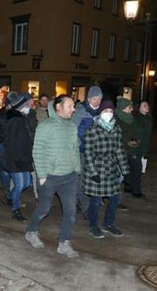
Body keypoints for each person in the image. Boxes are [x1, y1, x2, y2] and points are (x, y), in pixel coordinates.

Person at [25, 95, 81, 258]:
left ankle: (64, 242)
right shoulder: (45, 126)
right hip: (49, 177)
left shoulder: (72, 127)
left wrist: (77, 169)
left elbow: (74, 149)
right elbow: (37, 151)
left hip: (69, 177)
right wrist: (42, 175)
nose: (73, 109)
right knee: (44, 209)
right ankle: (31, 231)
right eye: (70, 106)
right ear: (59, 108)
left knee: (70, 212)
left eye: (73, 106)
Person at [83, 101, 130, 239]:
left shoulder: (116, 129)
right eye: (105, 111)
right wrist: (93, 173)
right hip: (97, 169)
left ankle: (108, 224)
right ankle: (93, 226)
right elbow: (88, 153)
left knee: (115, 198)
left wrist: (125, 171)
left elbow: (119, 150)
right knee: (96, 202)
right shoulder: (92, 130)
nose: (108, 113)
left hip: (111, 169)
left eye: (110, 111)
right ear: (100, 113)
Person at [71, 85, 103, 217]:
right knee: (81, 179)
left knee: (91, 178)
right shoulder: (80, 110)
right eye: (96, 98)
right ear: (89, 98)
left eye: (100, 98)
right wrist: (78, 145)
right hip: (80, 150)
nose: (98, 101)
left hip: (93, 151)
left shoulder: (99, 112)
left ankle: (85, 203)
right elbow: (73, 130)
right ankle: (85, 207)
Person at [4, 94, 34, 222]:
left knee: (27, 183)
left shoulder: (22, 118)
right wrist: (17, 160)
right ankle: (15, 210)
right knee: (19, 184)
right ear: (20, 107)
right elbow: (11, 143)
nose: (28, 107)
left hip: (24, 158)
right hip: (15, 159)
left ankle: (10, 198)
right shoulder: (14, 121)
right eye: (26, 105)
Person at [115, 98, 145, 198]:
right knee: (120, 173)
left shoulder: (131, 118)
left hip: (132, 148)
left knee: (136, 168)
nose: (131, 109)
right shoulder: (115, 119)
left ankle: (135, 189)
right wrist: (128, 142)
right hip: (120, 150)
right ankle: (119, 193)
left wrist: (135, 142)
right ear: (123, 108)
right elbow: (119, 135)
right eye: (129, 107)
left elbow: (137, 132)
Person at [135, 101, 152, 175]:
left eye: (147, 105)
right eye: (144, 105)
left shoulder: (148, 118)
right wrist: (134, 146)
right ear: (139, 108)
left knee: (142, 167)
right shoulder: (136, 119)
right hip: (137, 146)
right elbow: (133, 133)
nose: (147, 106)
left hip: (145, 145)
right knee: (136, 168)